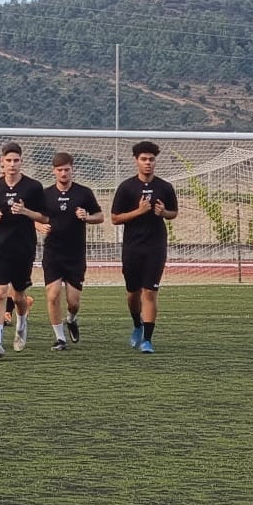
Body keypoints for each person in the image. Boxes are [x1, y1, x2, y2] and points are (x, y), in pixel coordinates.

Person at [110, 140, 179, 353]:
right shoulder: (126, 187)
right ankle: (137, 324)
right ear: (136, 161)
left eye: (151, 159)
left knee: (150, 292)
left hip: (156, 246)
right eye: (144, 159)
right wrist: (138, 212)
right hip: (132, 247)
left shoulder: (165, 187)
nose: (148, 162)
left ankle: (147, 340)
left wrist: (163, 213)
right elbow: (114, 218)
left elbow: (173, 213)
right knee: (133, 293)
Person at [0, 142, 48, 359]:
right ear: (2, 161)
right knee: (0, 292)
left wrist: (26, 211)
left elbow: (45, 217)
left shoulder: (33, 187)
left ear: (21, 161)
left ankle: (21, 323)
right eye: (8, 160)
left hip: (23, 247)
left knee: (19, 295)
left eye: (16, 160)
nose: (12, 164)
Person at [39, 151, 103, 352]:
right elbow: (35, 216)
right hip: (53, 252)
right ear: (54, 171)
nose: (63, 173)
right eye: (60, 170)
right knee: (52, 294)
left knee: (73, 302)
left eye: (67, 169)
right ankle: (59, 338)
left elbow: (100, 216)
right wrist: (38, 226)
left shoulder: (83, 193)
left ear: (72, 170)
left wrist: (86, 216)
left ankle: (71, 319)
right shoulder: (45, 194)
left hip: (75, 254)